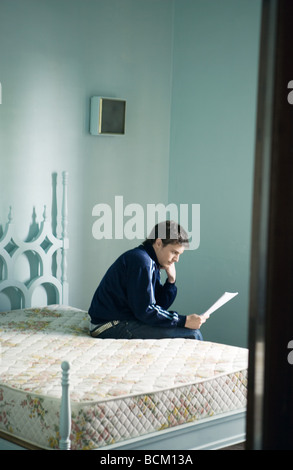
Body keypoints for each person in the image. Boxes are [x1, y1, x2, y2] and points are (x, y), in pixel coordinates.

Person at [88, 220, 204, 340]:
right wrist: (183, 320)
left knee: (191, 331)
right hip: (107, 325)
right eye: (174, 252)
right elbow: (146, 311)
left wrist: (171, 282)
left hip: (123, 320)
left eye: (179, 254)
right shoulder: (141, 261)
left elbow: (158, 306)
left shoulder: (151, 262)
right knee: (193, 334)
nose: (177, 259)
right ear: (159, 242)